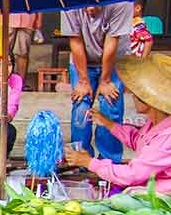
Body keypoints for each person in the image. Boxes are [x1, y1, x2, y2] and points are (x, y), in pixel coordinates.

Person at [65, 54, 171, 193]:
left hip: (160, 197)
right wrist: (108, 123)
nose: (133, 96)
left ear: (149, 101)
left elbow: (131, 175)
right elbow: (137, 140)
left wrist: (90, 163)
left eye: (137, 94)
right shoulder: (154, 123)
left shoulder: (167, 137)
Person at [61, 2, 133, 164]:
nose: (90, 10)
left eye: (95, 5)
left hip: (114, 59)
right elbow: (75, 41)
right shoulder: (69, 0)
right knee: (81, 106)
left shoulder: (121, 2)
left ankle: (109, 161)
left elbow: (111, 43)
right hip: (82, 60)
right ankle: (81, 158)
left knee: (110, 106)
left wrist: (106, 81)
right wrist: (83, 81)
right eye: (85, 5)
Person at [9, 13, 42, 90]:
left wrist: (39, 19)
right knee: (3, 52)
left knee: (23, 53)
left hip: (27, 19)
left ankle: (20, 83)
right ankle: (3, 81)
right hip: (6, 17)